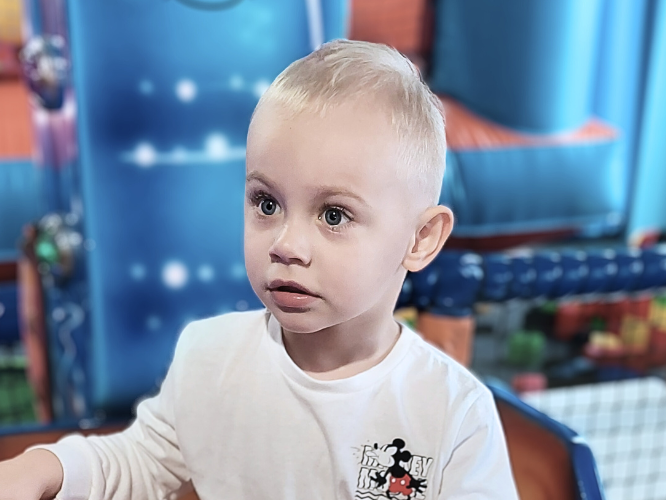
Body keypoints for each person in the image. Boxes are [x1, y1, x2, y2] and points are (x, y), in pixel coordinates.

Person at [0, 39, 519, 500]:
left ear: (420, 238)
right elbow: (139, 462)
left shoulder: (453, 414)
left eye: (334, 215)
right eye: (267, 204)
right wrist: (45, 466)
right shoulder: (210, 358)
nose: (286, 245)